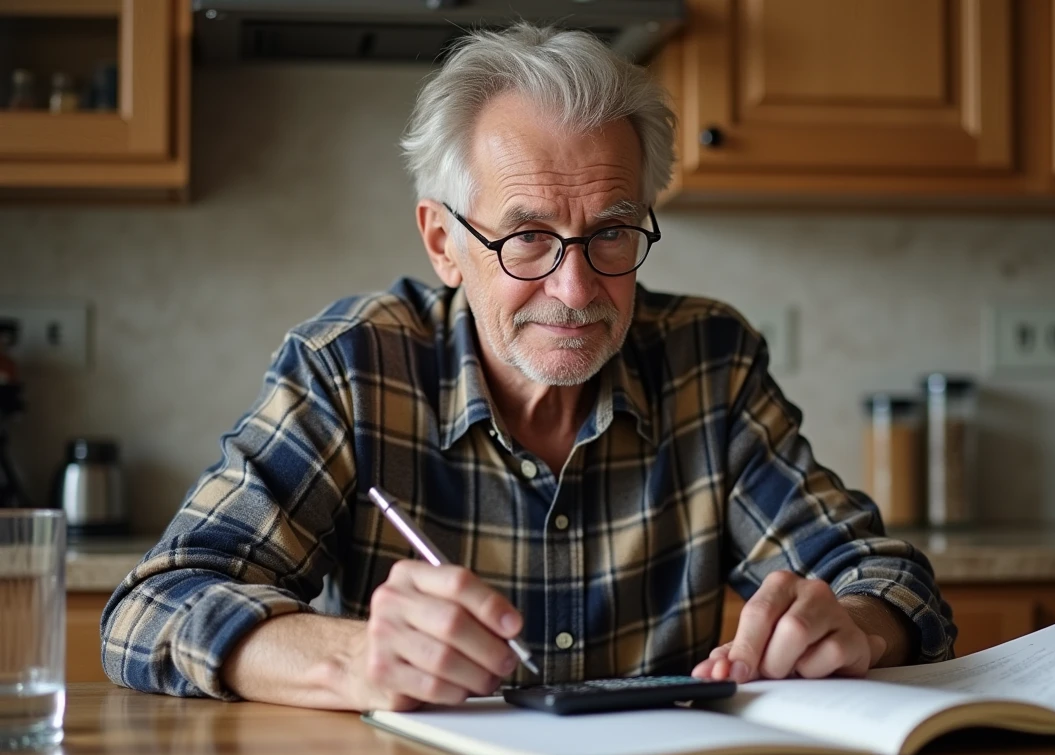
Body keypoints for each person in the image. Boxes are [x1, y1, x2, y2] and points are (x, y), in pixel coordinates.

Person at [101, 24, 956, 712]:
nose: (576, 287)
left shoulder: (707, 359)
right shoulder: (352, 366)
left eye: (612, 232)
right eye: (526, 238)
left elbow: (891, 578)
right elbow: (150, 608)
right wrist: (355, 660)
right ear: (444, 242)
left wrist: (850, 624)